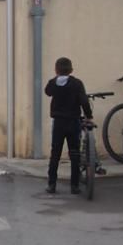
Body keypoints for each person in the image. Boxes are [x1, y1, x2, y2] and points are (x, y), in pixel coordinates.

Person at [45, 57, 92, 195]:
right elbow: (84, 101)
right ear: (71, 70)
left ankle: (52, 184)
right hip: (73, 121)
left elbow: (47, 92)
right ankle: (74, 185)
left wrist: (55, 79)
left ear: (56, 70)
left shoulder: (53, 83)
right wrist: (89, 116)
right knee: (75, 153)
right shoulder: (77, 84)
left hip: (58, 122)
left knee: (55, 153)